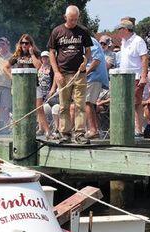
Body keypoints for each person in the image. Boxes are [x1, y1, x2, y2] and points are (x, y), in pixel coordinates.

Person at [47, 5, 93, 143]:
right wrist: (56, 72)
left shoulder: (83, 31)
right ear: (65, 17)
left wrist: (86, 62)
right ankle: (65, 133)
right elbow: (51, 52)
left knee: (80, 104)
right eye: (71, 19)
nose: (73, 22)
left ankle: (79, 133)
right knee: (63, 105)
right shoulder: (57, 31)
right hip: (63, 73)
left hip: (79, 73)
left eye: (76, 19)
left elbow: (88, 50)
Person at [4, 34, 46, 135]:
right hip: (20, 86)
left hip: (34, 84)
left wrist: (31, 54)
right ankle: (21, 129)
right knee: (21, 107)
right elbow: (5, 67)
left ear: (30, 44)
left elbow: (39, 66)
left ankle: (43, 129)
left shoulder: (36, 53)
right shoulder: (17, 54)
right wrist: (12, 78)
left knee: (39, 108)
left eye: (26, 43)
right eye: (22, 43)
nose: (24, 45)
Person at [116, 19, 149, 136]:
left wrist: (143, 76)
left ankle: (138, 130)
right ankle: (131, 129)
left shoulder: (138, 41)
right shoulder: (123, 42)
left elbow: (144, 58)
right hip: (124, 78)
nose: (118, 32)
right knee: (127, 103)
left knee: (136, 104)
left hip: (135, 77)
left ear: (125, 29)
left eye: (119, 29)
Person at [86, 36, 109, 139]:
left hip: (94, 76)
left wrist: (85, 73)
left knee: (88, 102)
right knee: (91, 104)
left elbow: (97, 59)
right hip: (92, 77)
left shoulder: (90, 41)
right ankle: (95, 130)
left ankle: (93, 130)